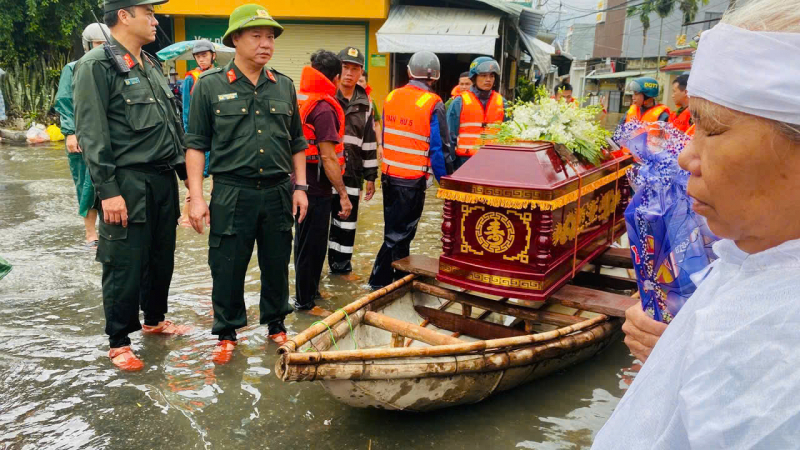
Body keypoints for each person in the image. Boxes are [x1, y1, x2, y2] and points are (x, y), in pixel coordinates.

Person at [592, 1, 800, 447]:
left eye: (714, 129)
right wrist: (676, 346)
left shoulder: (781, 348)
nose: (686, 157)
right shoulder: (752, 256)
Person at [185, 4, 308, 363]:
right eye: (257, 36)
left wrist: (300, 188)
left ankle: (276, 324)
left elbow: (297, 143)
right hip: (231, 191)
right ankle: (227, 332)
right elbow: (195, 146)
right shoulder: (209, 86)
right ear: (235, 40)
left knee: (277, 261)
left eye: (270, 37)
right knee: (226, 264)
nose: (266, 43)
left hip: (277, 191)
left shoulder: (283, 86)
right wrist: (196, 197)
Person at [73, 0, 189, 371]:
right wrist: (108, 191)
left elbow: (172, 127)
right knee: (123, 262)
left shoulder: (150, 64)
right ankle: (119, 341)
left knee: (160, 256)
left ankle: (154, 320)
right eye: (148, 13)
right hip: (127, 180)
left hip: (162, 178)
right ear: (124, 16)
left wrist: (188, 181)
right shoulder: (96, 65)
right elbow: (92, 132)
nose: (155, 20)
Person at [368, 51, 453, 290]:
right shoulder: (433, 103)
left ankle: (394, 281)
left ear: (408, 72)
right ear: (435, 76)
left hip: (389, 175)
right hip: (411, 180)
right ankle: (379, 283)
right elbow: (439, 149)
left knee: (394, 232)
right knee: (399, 236)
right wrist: (446, 182)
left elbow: (387, 136)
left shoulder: (392, 96)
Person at [291, 50, 352, 316]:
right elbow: (328, 157)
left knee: (306, 242)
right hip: (314, 186)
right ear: (335, 78)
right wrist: (343, 194)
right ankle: (305, 303)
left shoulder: (301, 98)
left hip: (298, 181)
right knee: (311, 246)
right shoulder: (324, 107)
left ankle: (311, 291)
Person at [54, 23, 109, 247]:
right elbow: (65, 101)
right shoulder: (73, 68)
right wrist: (70, 133)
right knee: (86, 184)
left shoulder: (114, 67)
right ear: (88, 45)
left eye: (106, 43)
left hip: (108, 135)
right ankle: (90, 233)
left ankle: (110, 229)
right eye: (98, 43)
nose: (102, 47)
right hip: (83, 135)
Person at [325, 47, 378, 277]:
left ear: (361, 73)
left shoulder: (366, 103)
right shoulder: (326, 96)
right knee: (320, 226)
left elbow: (369, 141)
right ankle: (314, 276)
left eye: (354, 69)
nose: (349, 73)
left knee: (346, 226)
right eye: (345, 67)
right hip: (324, 172)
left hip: (352, 173)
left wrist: (371, 176)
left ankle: (341, 271)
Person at [178, 39, 217, 228]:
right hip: (199, 136)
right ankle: (186, 217)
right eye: (198, 56)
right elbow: (186, 110)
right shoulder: (190, 78)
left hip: (217, 136)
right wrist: (189, 138)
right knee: (195, 178)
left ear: (213, 56)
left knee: (217, 176)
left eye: (204, 55)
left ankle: (214, 215)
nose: (201, 59)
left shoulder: (220, 76)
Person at [446, 57, 504, 169]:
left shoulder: (502, 102)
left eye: (491, 76)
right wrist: (450, 166)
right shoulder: (459, 102)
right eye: (483, 75)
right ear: (474, 77)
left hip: (493, 161)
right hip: (464, 161)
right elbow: (449, 137)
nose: (488, 79)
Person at [357, 70, 383, 163]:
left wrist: (380, 145)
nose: (358, 84)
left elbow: (376, 125)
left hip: (368, 148)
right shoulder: (345, 100)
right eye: (356, 81)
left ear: (366, 84)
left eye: (361, 81)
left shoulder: (371, 102)